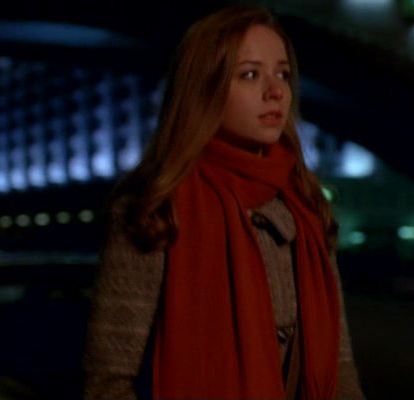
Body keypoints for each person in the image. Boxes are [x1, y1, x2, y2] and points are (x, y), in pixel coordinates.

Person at [83, 5, 365, 400]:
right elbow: (108, 382)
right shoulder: (155, 208)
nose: (275, 91)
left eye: (283, 74)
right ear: (205, 88)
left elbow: (340, 371)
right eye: (250, 74)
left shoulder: (305, 206)